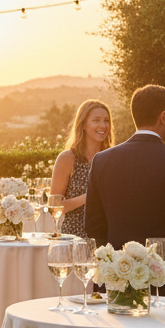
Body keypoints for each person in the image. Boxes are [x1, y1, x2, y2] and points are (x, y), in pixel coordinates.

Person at [84, 84, 165, 297]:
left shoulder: (102, 161)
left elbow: (92, 226)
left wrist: (118, 259)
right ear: (163, 117)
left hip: (116, 278)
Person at [50, 100, 116, 236]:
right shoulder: (68, 158)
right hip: (74, 238)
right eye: (96, 120)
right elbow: (54, 208)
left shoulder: (113, 158)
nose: (103, 126)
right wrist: (90, 196)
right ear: (83, 125)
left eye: (106, 120)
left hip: (106, 238)